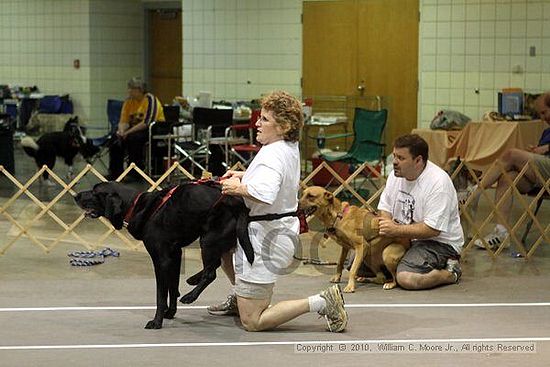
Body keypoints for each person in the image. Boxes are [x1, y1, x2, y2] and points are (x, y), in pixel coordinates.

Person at [207, 91, 348, 332]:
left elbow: (266, 193)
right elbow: (278, 180)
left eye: (264, 119)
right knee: (223, 249)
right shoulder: (286, 146)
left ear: (283, 126)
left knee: (253, 322)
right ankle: (241, 295)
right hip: (275, 230)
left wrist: (237, 187)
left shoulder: (272, 154)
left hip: (266, 238)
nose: (257, 123)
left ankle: (322, 302)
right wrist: (244, 176)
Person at [377, 134, 464, 290]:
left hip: (439, 243)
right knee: (360, 264)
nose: (394, 162)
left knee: (406, 278)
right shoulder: (395, 175)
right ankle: (406, 261)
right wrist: (389, 227)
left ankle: (450, 272)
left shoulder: (438, 183)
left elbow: (433, 229)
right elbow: (385, 208)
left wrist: (396, 230)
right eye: (394, 156)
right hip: (405, 236)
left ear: (418, 160)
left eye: (401, 158)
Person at [473, 92, 550, 249]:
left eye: (544, 112)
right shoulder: (547, 131)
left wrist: (545, 148)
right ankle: (501, 233)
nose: (542, 118)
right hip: (543, 176)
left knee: (511, 155)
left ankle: (474, 192)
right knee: (507, 177)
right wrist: (536, 150)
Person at [108, 77, 165, 180]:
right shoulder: (128, 102)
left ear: (139, 89)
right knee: (115, 140)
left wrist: (128, 132)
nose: (128, 91)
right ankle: (116, 173)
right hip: (132, 129)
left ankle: (135, 172)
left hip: (152, 130)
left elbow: (147, 122)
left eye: (131, 88)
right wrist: (121, 131)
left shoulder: (150, 100)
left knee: (134, 139)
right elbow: (123, 120)